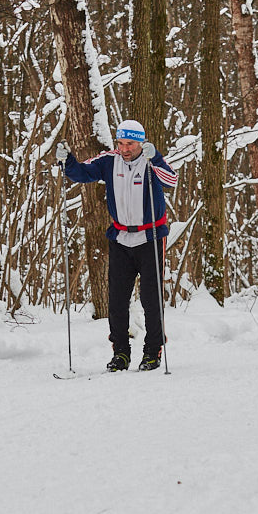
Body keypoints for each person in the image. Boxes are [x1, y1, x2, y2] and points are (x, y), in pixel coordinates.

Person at [57, 120, 178, 371]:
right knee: (117, 300)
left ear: (141, 142)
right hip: (121, 238)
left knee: (150, 298)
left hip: (150, 237)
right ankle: (121, 353)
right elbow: (80, 173)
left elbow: (171, 181)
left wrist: (155, 158)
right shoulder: (109, 161)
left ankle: (152, 350)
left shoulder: (149, 160)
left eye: (130, 144)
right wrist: (66, 160)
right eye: (121, 143)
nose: (124, 148)